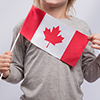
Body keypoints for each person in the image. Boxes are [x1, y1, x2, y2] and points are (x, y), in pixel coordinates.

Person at [0, 0, 100, 100]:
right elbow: (17, 70)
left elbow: (90, 74)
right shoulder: (24, 26)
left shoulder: (82, 28)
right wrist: (5, 71)